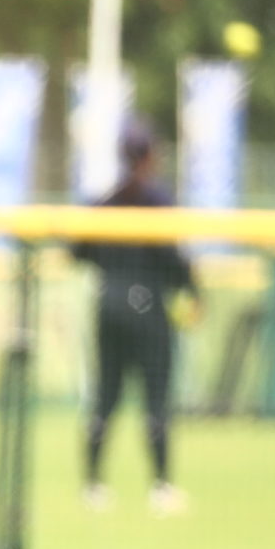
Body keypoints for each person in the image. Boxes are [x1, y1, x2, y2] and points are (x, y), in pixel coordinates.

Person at [70, 116, 200, 514]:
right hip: (148, 308)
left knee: (105, 397)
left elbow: (77, 252)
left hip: (109, 304)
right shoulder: (157, 201)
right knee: (155, 398)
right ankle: (161, 486)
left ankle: (93, 485)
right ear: (150, 155)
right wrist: (193, 292)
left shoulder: (104, 201)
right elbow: (174, 258)